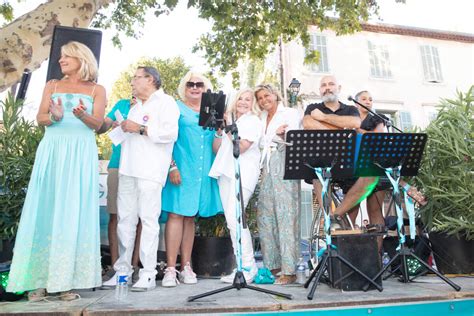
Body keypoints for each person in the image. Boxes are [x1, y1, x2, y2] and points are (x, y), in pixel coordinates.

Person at [6, 41, 106, 301]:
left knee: (73, 211)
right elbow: (40, 118)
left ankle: (67, 283)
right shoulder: (52, 85)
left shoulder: (97, 89)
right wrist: (55, 117)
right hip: (53, 150)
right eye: (61, 57)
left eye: (67, 57)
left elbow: (97, 123)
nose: (61, 61)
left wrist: (83, 116)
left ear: (81, 59)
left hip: (80, 153)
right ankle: (37, 281)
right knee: (46, 208)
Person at [102, 66, 179, 291]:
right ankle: (123, 272)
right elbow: (127, 135)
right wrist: (122, 127)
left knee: (148, 221)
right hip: (128, 169)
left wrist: (140, 128)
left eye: (136, 77)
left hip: (150, 171)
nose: (132, 81)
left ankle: (147, 273)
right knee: (125, 221)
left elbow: (170, 134)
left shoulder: (166, 102)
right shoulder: (135, 107)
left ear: (151, 79)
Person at [161, 71, 223, 287]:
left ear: (206, 88)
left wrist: (219, 130)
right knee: (176, 215)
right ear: (184, 87)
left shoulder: (212, 111)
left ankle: (186, 265)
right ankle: (171, 268)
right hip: (181, 168)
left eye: (199, 84)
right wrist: (172, 167)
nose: (195, 88)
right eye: (190, 84)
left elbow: (215, 144)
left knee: (190, 218)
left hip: (202, 171)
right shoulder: (175, 108)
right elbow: (165, 139)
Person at [303, 75, 372, 230]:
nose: (327, 87)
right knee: (317, 176)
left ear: (338, 88)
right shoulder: (312, 107)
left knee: (370, 177)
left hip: (349, 160)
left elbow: (355, 123)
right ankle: (330, 216)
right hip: (322, 160)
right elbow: (308, 123)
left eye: (331, 84)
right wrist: (340, 130)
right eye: (323, 85)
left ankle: (335, 216)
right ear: (320, 90)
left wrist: (323, 118)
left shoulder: (351, 109)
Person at [210, 88, 262, 283]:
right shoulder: (233, 122)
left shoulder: (252, 121)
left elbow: (240, 147)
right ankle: (240, 266)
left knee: (236, 219)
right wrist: (219, 130)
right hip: (225, 173)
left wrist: (229, 125)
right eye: (240, 98)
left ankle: (249, 267)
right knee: (232, 221)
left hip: (243, 174)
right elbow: (217, 149)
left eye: (248, 99)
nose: (243, 102)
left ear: (252, 104)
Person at [254, 83, 301, 285]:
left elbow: (291, 137)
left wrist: (274, 137)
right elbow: (259, 142)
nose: (264, 100)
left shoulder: (289, 112)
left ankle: (289, 270)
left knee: (286, 215)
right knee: (265, 217)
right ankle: (273, 265)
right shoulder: (261, 118)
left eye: (267, 96)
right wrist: (272, 136)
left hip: (284, 163)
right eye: (260, 98)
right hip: (265, 168)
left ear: (275, 94)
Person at [97, 96, 142, 283]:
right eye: (132, 84)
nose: (134, 89)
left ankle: (135, 266)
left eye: (138, 81)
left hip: (141, 165)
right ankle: (116, 266)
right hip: (118, 164)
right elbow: (102, 126)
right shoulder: (122, 105)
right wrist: (109, 124)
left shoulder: (154, 106)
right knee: (115, 215)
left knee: (140, 217)